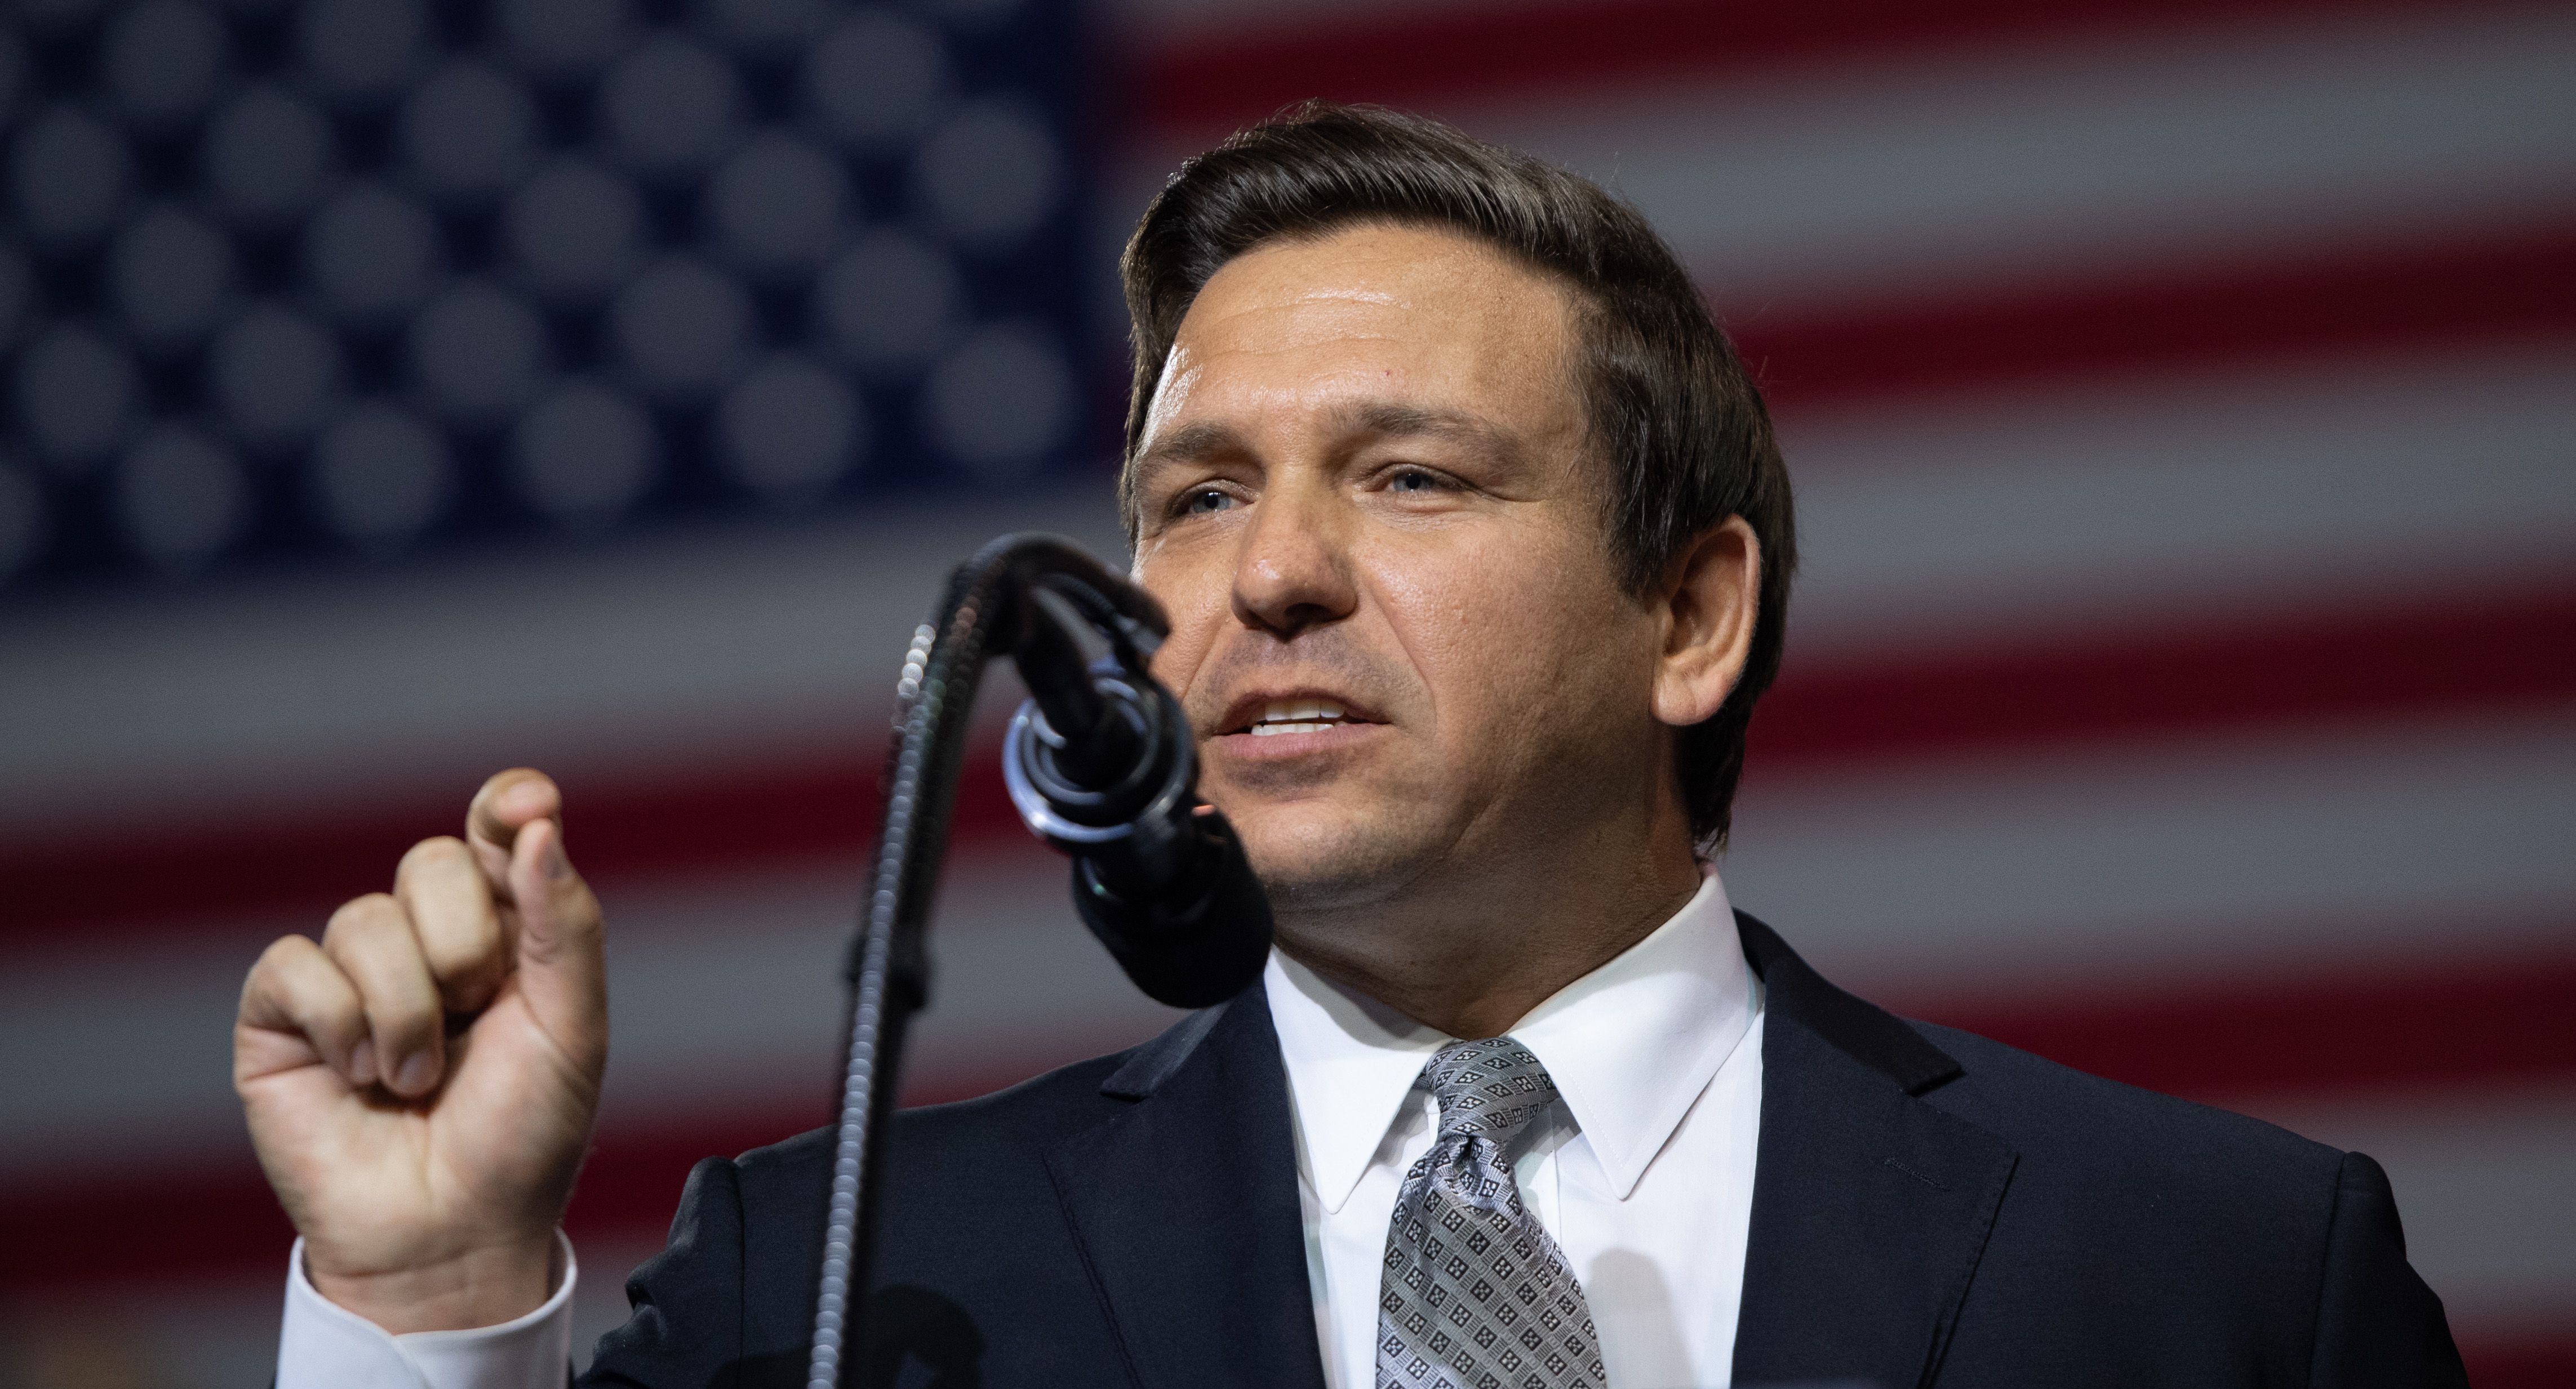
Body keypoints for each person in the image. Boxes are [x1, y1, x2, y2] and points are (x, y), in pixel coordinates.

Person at [240, 105, 2467, 1387]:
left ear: (1692, 616)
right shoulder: (845, 1289)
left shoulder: (2219, 1281)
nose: (1265, 581)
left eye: (1409, 477)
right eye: (1198, 498)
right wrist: (427, 1300)